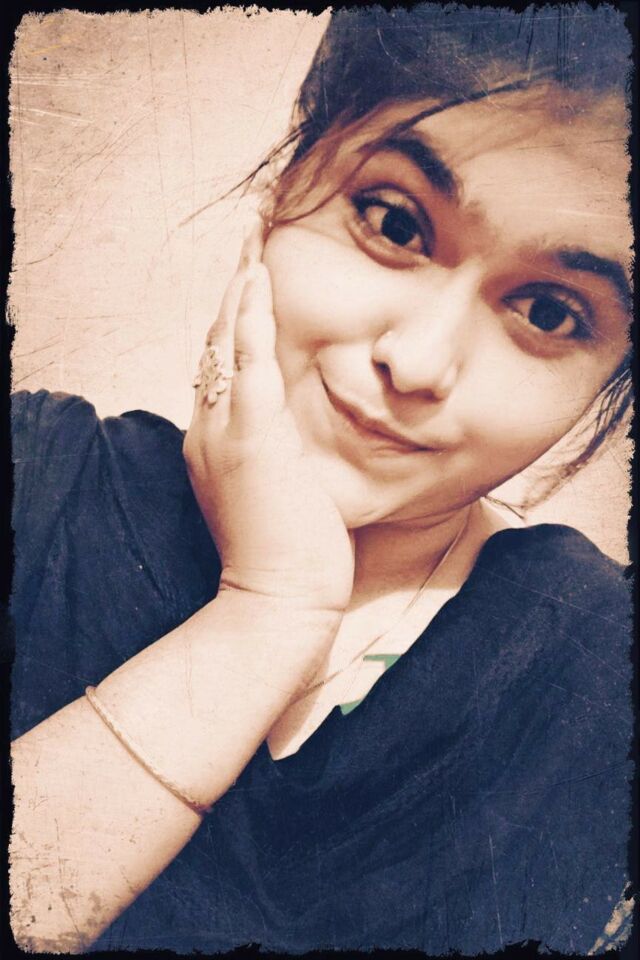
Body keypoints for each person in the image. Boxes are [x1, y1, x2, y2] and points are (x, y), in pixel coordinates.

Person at [9, 4, 633, 955]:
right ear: (284, 191)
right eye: (393, 222)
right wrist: (269, 610)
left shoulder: (599, 677)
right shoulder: (37, 479)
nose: (418, 362)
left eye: (548, 312)